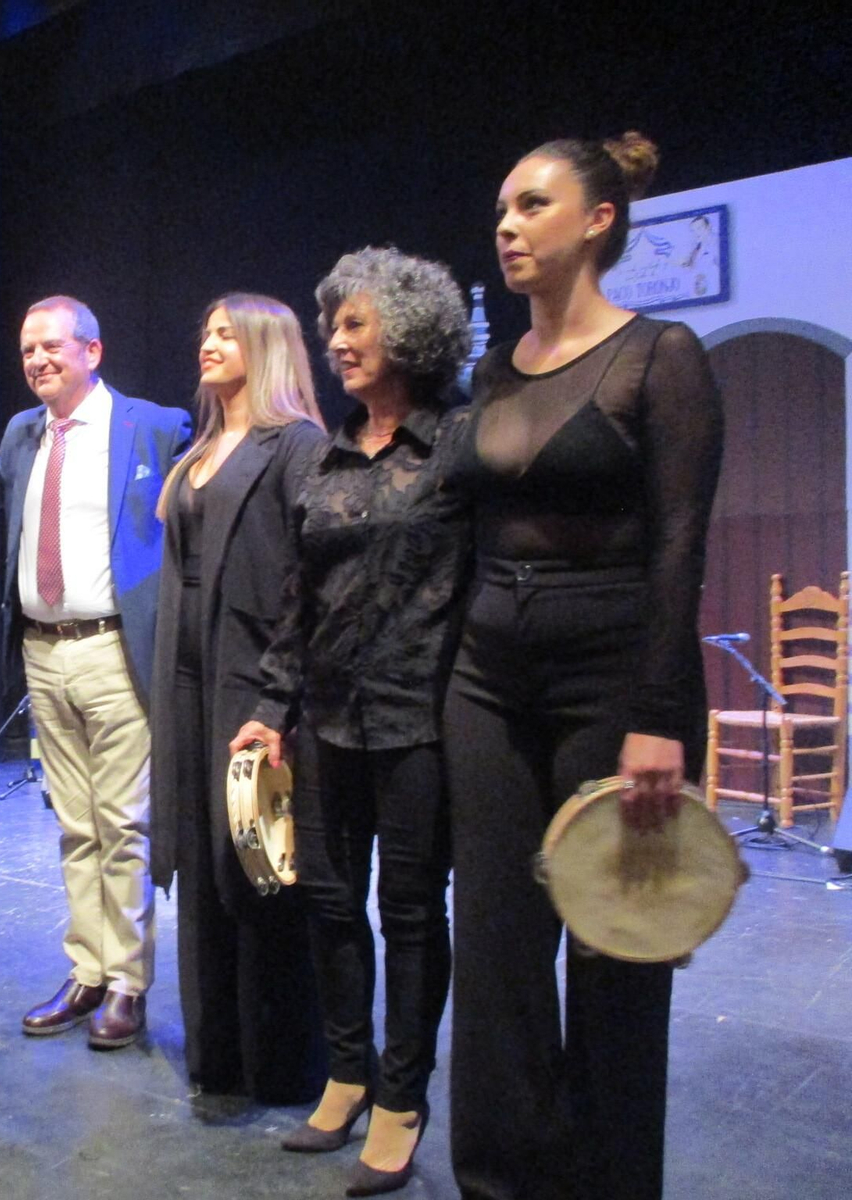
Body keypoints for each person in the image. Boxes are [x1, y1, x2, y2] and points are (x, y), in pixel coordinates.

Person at [442, 132, 723, 1200]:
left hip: (612, 667)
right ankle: (503, 1182)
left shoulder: (661, 357)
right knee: (499, 949)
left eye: (532, 205)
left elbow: (679, 543)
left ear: (597, 220)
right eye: (502, 208)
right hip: (486, 669)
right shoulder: (490, 369)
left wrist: (660, 715)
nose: (506, 225)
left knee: (614, 946)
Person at [233, 249, 471, 1196]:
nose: (335, 342)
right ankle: (347, 1071)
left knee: (411, 913)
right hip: (326, 721)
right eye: (330, 327)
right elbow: (298, 600)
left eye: (354, 325)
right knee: (330, 902)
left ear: (411, 330)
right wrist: (267, 711)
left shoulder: (457, 442)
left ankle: (404, 1095)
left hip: (420, 722)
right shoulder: (326, 455)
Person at [0, 295, 191, 1049]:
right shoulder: (21, 434)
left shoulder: (153, 424)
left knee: (124, 824)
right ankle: (85, 969)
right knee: (74, 825)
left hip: (115, 650)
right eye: (27, 351)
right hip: (42, 650)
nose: (38, 361)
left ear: (93, 351)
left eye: (52, 347)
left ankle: (127, 985)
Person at [149, 293, 327, 1103]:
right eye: (205, 329)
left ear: (267, 345)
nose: (209, 342)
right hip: (185, 675)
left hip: (250, 677)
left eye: (227, 332)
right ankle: (217, 1053)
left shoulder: (296, 445)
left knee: (253, 864)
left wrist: (278, 699)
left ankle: (279, 1063)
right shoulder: (202, 449)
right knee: (198, 854)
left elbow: (309, 582)